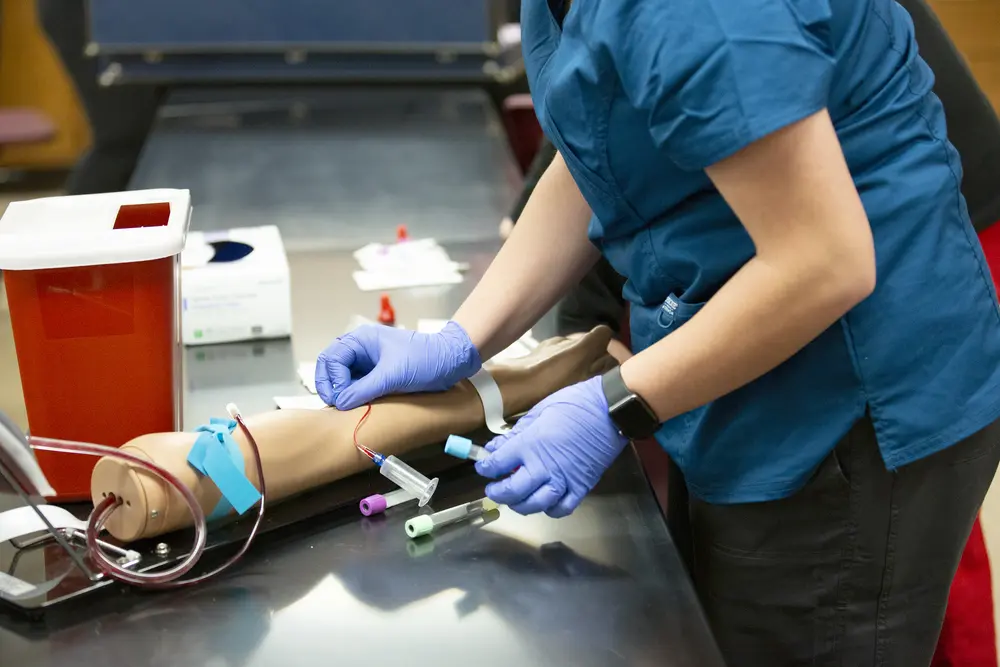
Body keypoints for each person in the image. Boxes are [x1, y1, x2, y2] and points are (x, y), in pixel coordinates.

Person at [316, 0, 1000, 663]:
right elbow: (602, 139)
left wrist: (614, 401)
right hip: (747, 369)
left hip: (853, 395)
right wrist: (460, 339)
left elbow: (823, 260)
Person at [37, 0, 162, 194]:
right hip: (90, 14)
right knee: (122, 137)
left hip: (118, 14)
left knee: (136, 136)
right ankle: (72, 223)